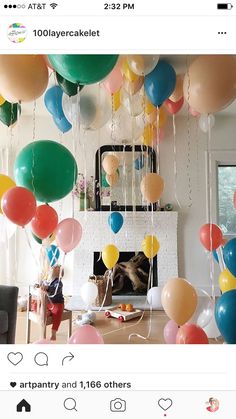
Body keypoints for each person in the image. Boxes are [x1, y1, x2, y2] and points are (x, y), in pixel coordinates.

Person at [37, 265, 65, 341]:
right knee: (38, 305)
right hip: (48, 303)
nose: (52, 268)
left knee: (57, 313)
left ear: (59, 273)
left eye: (56, 268)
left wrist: (48, 288)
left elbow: (56, 289)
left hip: (57, 303)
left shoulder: (58, 282)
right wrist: (41, 284)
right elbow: (43, 283)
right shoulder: (48, 280)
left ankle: (53, 333)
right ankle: (47, 312)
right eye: (53, 268)